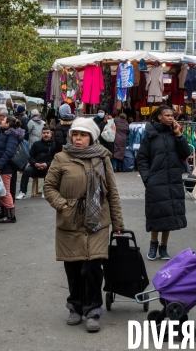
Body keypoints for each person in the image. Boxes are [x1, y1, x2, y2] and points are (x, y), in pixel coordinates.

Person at [44, 118, 124, 333]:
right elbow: (49, 187)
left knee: (91, 268)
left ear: (92, 137)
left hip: (97, 221)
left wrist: (118, 222)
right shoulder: (61, 158)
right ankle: (75, 306)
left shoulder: (102, 158)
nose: (78, 139)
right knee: (73, 267)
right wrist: (62, 205)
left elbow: (112, 192)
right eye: (76, 135)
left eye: (83, 135)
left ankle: (93, 310)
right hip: (69, 220)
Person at [136, 105, 191, 261]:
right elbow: (142, 158)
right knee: (156, 214)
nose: (170, 118)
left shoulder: (175, 133)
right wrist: (148, 178)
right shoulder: (150, 135)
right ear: (159, 117)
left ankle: (164, 246)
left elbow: (185, 154)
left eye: (172, 115)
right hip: (156, 181)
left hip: (173, 180)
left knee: (168, 213)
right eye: (167, 115)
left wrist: (179, 135)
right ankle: (153, 244)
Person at [16, 126, 56, 200]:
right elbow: (30, 156)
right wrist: (35, 164)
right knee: (26, 171)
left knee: (51, 172)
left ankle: (46, 192)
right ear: (41, 134)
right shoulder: (36, 144)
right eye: (44, 133)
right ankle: (22, 192)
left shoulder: (54, 145)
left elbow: (55, 159)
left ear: (51, 134)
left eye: (47, 133)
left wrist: (47, 164)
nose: (46, 135)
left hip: (48, 168)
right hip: (36, 167)